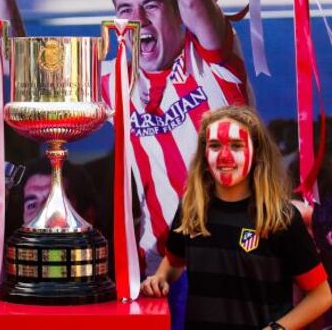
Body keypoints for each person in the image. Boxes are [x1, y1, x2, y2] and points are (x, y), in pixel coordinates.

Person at [0, 0, 251, 327]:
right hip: (162, 270)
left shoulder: (211, 61)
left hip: (236, 260)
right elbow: (17, 72)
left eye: (152, 6)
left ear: (175, 13)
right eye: (125, 10)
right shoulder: (120, 81)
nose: (137, 20)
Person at [141, 105, 332, 330]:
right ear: (204, 153)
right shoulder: (191, 209)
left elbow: (321, 296)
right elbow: (173, 262)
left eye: (236, 145)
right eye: (215, 145)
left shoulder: (281, 218)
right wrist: (160, 278)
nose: (224, 156)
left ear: (257, 151)